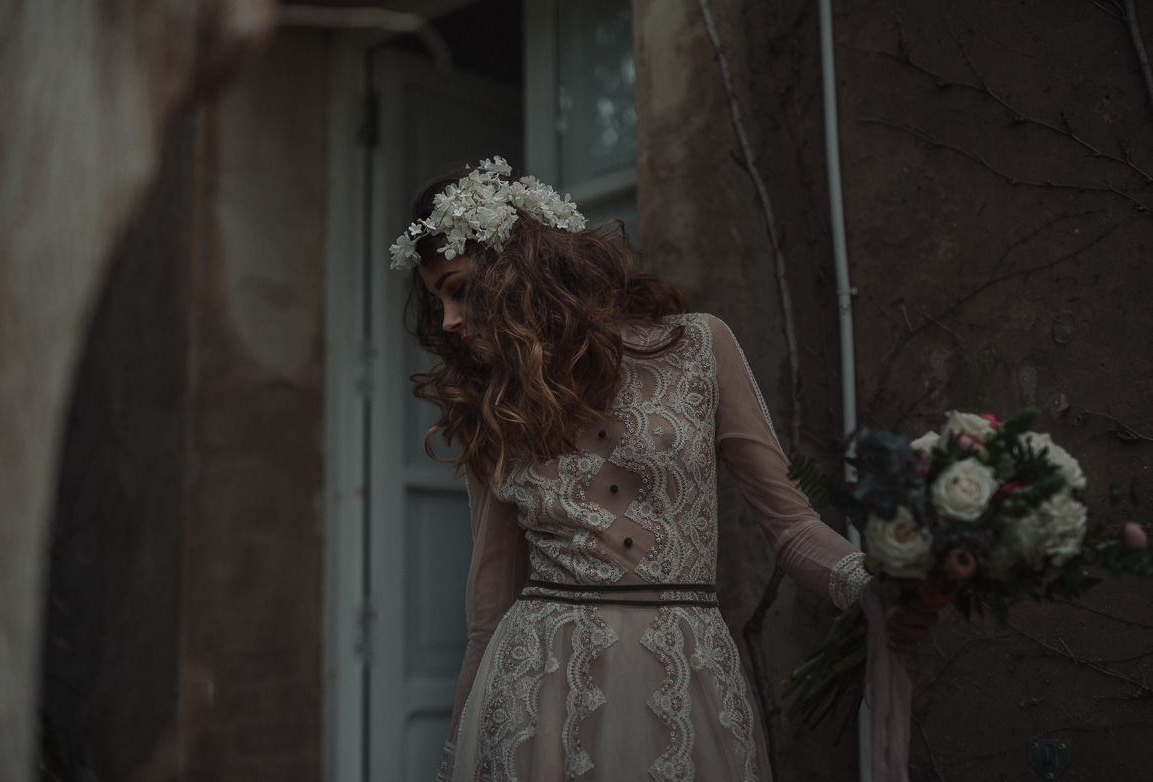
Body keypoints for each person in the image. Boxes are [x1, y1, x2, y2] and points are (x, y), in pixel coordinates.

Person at [392, 157, 936, 782]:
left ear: (520, 268)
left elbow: (791, 527)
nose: (449, 322)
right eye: (438, 302)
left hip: (686, 676)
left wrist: (876, 591)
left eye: (457, 289)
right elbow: (488, 612)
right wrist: (454, 759)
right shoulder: (494, 401)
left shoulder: (700, 346)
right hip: (541, 687)